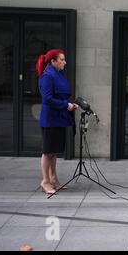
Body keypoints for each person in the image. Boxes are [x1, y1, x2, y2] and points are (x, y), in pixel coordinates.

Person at [36, 49, 77, 194]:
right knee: (48, 152)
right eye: (62, 59)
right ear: (53, 61)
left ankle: (53, 178)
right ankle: (45, 181)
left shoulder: (58, 74)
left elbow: (61, 95)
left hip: (59, 117)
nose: (65, 62)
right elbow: (47, 98)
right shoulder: (47, 76)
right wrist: (66, 105)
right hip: (50, 119)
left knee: (54, 152)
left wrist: (70, 104)